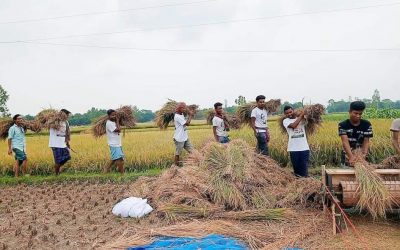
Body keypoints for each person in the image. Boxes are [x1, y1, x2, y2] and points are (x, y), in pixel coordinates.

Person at [338, 101, 373, 167]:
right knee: (346, 176)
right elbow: (345, 142)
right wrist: (351, 157)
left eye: (360, 114)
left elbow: (366, 142)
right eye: (355, 113)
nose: (358, 116)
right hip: (347, 156)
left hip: (362, 155)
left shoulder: (367, 125)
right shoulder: (343, 125)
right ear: (350, 111)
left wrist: (363, 156)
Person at [283, 106, 310, 177]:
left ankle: (305, 184)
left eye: (290, 112)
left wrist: (304, 115)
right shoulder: (285, 121)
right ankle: (298, 184)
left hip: (304, 148)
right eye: (287, 113)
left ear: (293, 111)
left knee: (304, 169)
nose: (289, 114)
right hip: (293, 148)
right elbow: (293, 125)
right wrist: (301, 116)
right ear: (285, 114)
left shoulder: (302, 119)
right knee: (297, 170)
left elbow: (309, 120)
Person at [49, 109, 72, 175]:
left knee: (67, 156)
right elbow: (48, 124)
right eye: (66, 115)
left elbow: (67, 134)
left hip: (63, 143)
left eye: (68, 115)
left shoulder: (66, 122)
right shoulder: (54, 120)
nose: (67, 116)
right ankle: (56, 174)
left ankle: (58, 168)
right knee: (58, 160)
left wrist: (67, 143)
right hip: (55, 143)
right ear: (62, 114)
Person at [105, 109, 125, 174]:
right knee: (120, 159)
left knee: (114, 159)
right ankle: (122, 174)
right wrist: (117, 120)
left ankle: (105, 172)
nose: (114, 116)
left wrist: (118, 120)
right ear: (108, 116)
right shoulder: (109, 123)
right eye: (112, 115)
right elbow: (118, 130)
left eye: (115, 115)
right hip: (114, 144)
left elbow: (121, 124)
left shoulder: (114, 122)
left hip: (118, 143)